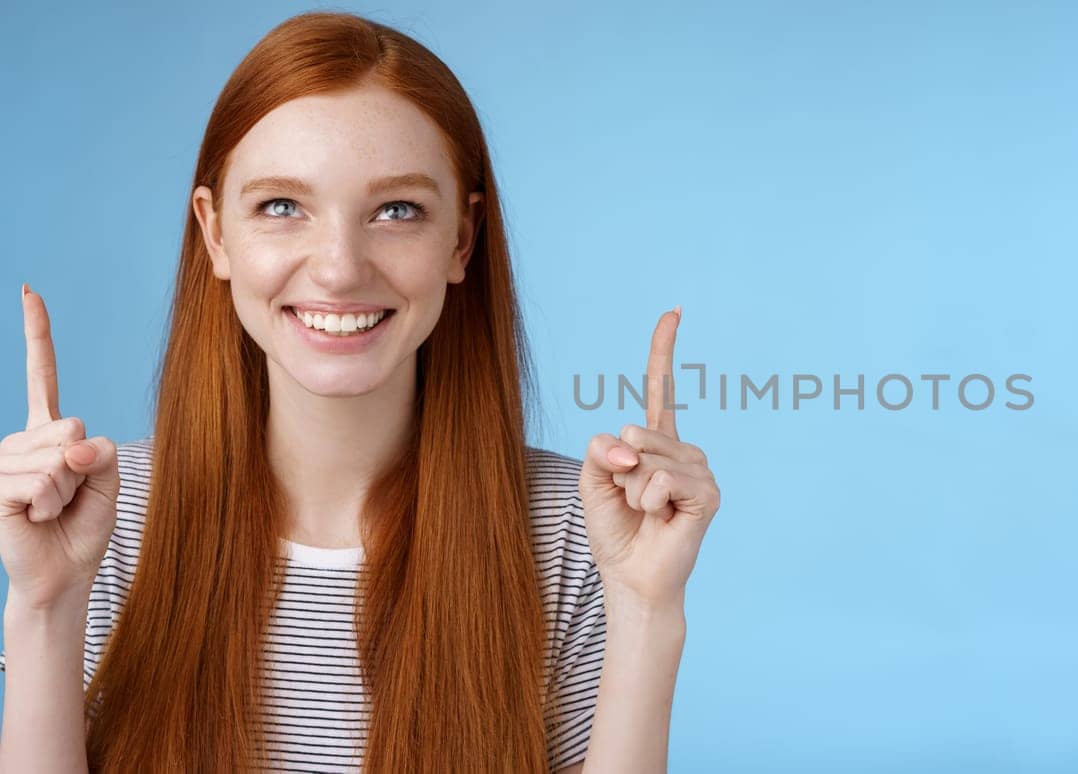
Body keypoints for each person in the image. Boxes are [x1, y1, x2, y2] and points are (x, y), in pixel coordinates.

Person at [0, 11, 719, 773]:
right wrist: (43, 609)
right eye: (282, 206)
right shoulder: (104, 522)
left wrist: (647, 611)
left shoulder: (575, 530)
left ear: (461, 240)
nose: (339, 267)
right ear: (215, 235)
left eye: (396, 210)